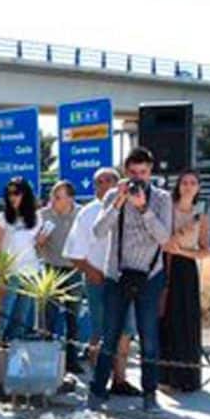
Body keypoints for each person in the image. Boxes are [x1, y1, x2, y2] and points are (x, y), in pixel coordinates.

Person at [88, 146, 173, 412]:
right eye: (133, 173)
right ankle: (98, 390)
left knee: (149, 337)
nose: (138, 178)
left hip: (150, 275)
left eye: (144, 173)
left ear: (151, 172)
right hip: (117, 274)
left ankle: (150, 394)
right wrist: (118, 204)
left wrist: (144, 208)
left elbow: (164, 238)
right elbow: (99, 231)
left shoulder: (162, 199)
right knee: (110, 335)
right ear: (126, 172)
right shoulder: (115, 194)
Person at [63, 167, 140, 396]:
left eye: (110, 180)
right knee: (100, 330)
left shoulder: (133, 207)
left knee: (126, 330)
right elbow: (73, 252)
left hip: (126, 278)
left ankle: (120, 380)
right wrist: (91, 272)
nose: (104, 185)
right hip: (98, 278)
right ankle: (100, 380)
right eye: (99, 181)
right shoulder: (87, 213)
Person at [159, 169, 210, 391]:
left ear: (198, 187)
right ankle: (165, 377)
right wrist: (175, 245)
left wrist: (182, 252)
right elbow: (163, 243)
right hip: (165, 266)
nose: (188, 186)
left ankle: (187, 378)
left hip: (186, 269)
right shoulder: (167, 210)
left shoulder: (201, 217)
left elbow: (205, 251)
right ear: (178, 186)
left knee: (187, 321)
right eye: (184, 182)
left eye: (193, 183)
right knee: (166, 319)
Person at [36, 180, 85, 373]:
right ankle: (48, 359)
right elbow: (34, 246)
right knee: (50, 316)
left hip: (74, 270)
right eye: (52, 196)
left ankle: (72, 360)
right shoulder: (43, 215)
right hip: (51, 270)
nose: (52, 201)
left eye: (57, 197)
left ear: (70, 199)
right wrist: (39, 242)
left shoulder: (81, 215)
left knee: (73, 317)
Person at [0, 176, 41, 340]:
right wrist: (0, 274)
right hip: (10, 273)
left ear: (25, 194)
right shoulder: (2, 218)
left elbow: (38, 247)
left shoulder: (37, 218)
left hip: (30, 274)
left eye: (17, 193)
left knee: (21, 318)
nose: (12, 197)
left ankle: (13, 348)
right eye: (9, 193)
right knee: (3, 313)